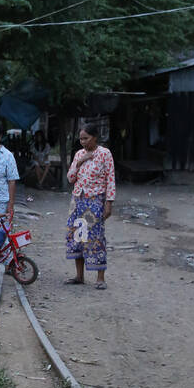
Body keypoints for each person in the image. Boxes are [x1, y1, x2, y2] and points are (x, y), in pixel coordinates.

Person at [65, 122, 115, 289]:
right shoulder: (79, 154)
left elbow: (110, 179)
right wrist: (79, 162)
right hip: (77, 201)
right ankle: (79, 276)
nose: (83, 142)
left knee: (95, 238)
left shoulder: (104, 154)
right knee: (78, 237)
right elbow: (70, 178)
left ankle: (100, 278)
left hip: (94, 201)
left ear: (94, 137)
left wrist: (109, 203)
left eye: (85, 138)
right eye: (81, 139)